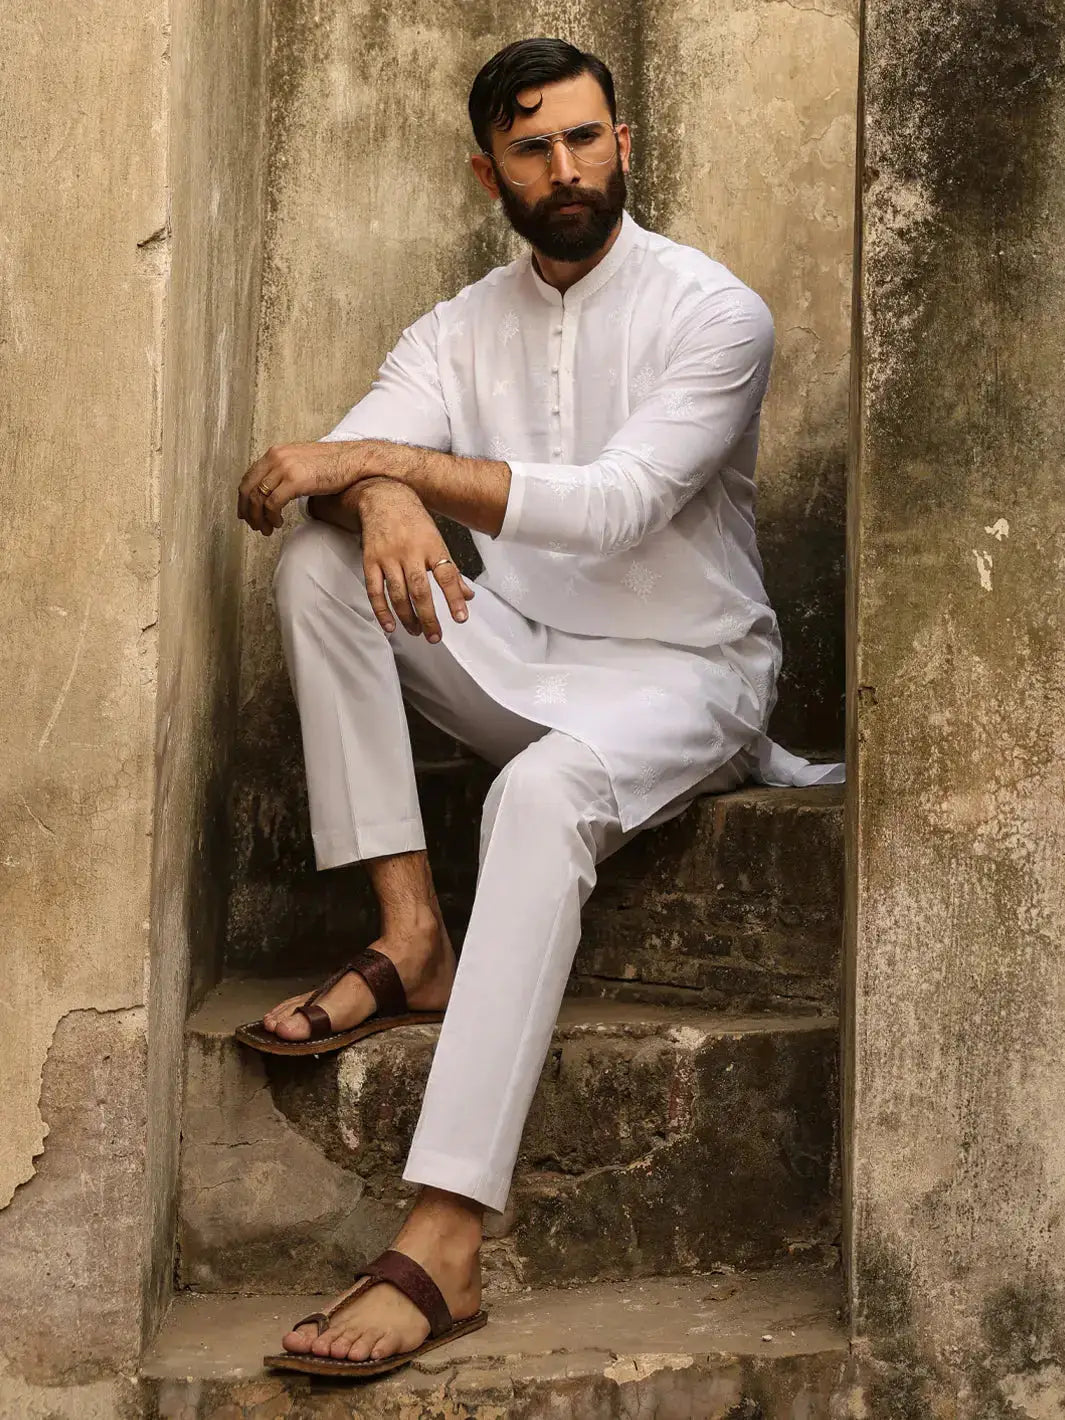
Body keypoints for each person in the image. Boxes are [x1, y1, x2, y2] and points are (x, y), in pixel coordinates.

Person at [235, 36, 843, 1380]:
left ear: (622, 141)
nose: (562, 169)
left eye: (582, 138)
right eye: (531, 148)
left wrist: (381, 461)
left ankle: (444, 1234)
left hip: (686, 673)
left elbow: (617, 503)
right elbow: (334, 465)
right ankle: (409, 931)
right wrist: (378, 490)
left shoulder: (713, 311)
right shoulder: (456, 326)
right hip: (524, 658)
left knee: (541, 792)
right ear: (487, 170)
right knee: (321, 553)